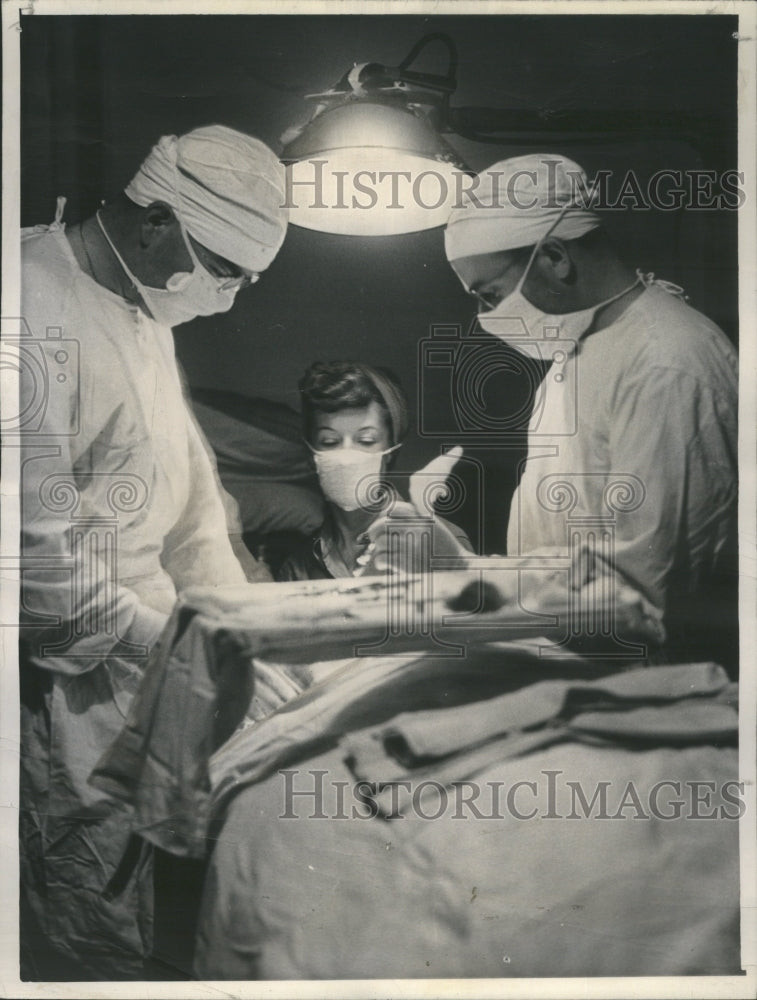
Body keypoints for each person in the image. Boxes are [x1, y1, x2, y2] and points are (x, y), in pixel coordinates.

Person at [18, 124, 288, 979]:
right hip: (65, 666)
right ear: (155, 222)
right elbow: (35, 563)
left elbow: (186, 492)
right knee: (83, 898)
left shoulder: (137, 302)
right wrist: (169, 645)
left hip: (143, 640)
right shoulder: (26, 309)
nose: (230, 298)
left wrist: (236, 622)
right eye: (224, 272)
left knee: (157, 872)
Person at [439, 153, 738, 669]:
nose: (487, 317)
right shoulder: (577, 351)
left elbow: (642, 597)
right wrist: (462, 564)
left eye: (490, 296)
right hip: (571, 659)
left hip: (645, 687)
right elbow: (566, 553)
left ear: (555, 256)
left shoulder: (667, 364)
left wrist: (478, 588)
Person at [277, 361, 471, 581]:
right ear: (312, 452)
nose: (346, 457)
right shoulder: (298, 569)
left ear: (390, 449)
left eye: (366, 440)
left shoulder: (439, 543)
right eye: (330, 441)